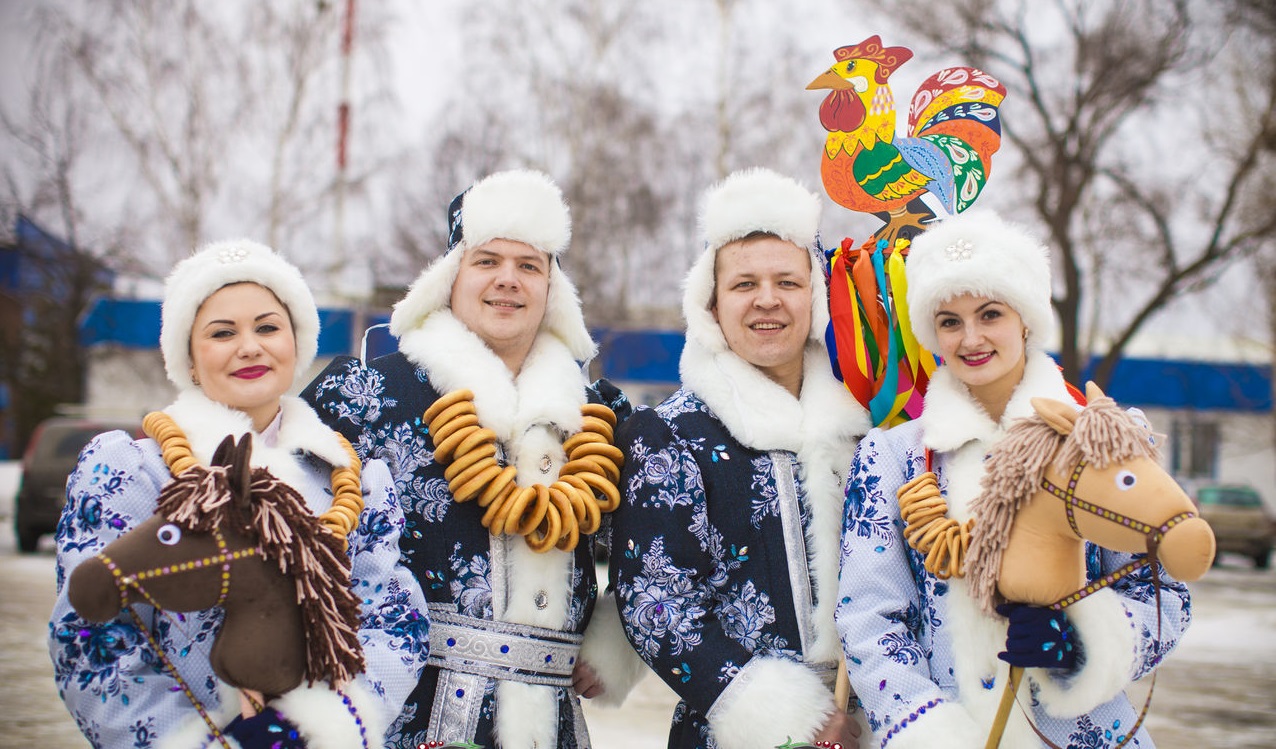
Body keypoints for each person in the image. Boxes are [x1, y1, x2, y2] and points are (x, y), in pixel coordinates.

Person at [302, 169, 646, 748]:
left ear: (551, 288)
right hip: (403, 711)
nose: (508, 280)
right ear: (449, 277)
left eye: (529, 266)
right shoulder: (363, 399)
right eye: (487, 261)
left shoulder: (596, 416)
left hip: (554, 722)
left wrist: (620, 641)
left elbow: (668, 543)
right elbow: (289, 534)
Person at [49, 239, 430, 748]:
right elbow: (90, 640)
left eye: (268, 327)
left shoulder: (353, 480)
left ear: (297, 343)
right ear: (187, 355)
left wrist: (313, 728)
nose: (249, 346)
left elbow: (394, 618)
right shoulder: (133, 472)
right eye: (222, 332)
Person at [834, 209, 1193, 748]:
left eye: (990, 313)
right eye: (950, 321)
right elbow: (869, 617)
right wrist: (927, 730)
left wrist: (1080, 642)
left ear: (1025, 317)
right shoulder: (892, 457)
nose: (970, 337)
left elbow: (1164, 590)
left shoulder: (1105, 438)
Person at [608, 168, 871, 749]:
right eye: (744, 283)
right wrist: (789, 716)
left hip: (874, 724)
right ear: (711, 302)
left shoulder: (867, 429)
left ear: (817, 294)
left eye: (788, 281)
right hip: (738, 728)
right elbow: (657, 602)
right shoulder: (669, 435)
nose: (768, 300)